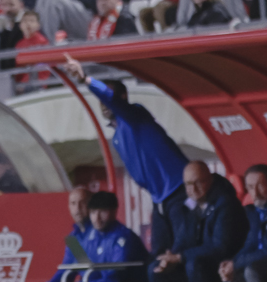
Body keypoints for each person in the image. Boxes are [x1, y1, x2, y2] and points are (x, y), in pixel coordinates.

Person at [64, 56, 189, 256]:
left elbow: (112, 100)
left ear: (122, 98)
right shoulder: (74, 238)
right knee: (158, 257)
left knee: (183, 251)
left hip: (179, 190)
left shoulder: (135, 115)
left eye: (107, 98)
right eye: (73, 204)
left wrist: (86, 79)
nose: (104, 103)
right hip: (159, 199)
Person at [148, 161, 247, 282]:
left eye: (198, 182)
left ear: (209, 180)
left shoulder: (226, 203)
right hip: (197, 267)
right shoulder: (190, 205)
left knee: (194, 264)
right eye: (188, 184)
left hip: (224, 269)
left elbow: (221, 247)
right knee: (156, 270)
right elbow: (183, 239)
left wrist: (181, 257)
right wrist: (171, 256)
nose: (193, 189)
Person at [37, 186, 92, 282]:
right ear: (69, 207)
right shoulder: (74, 238)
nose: (77, 209)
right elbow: (67, 269)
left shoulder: (100, 233)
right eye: (73, 203)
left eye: (82, 203)